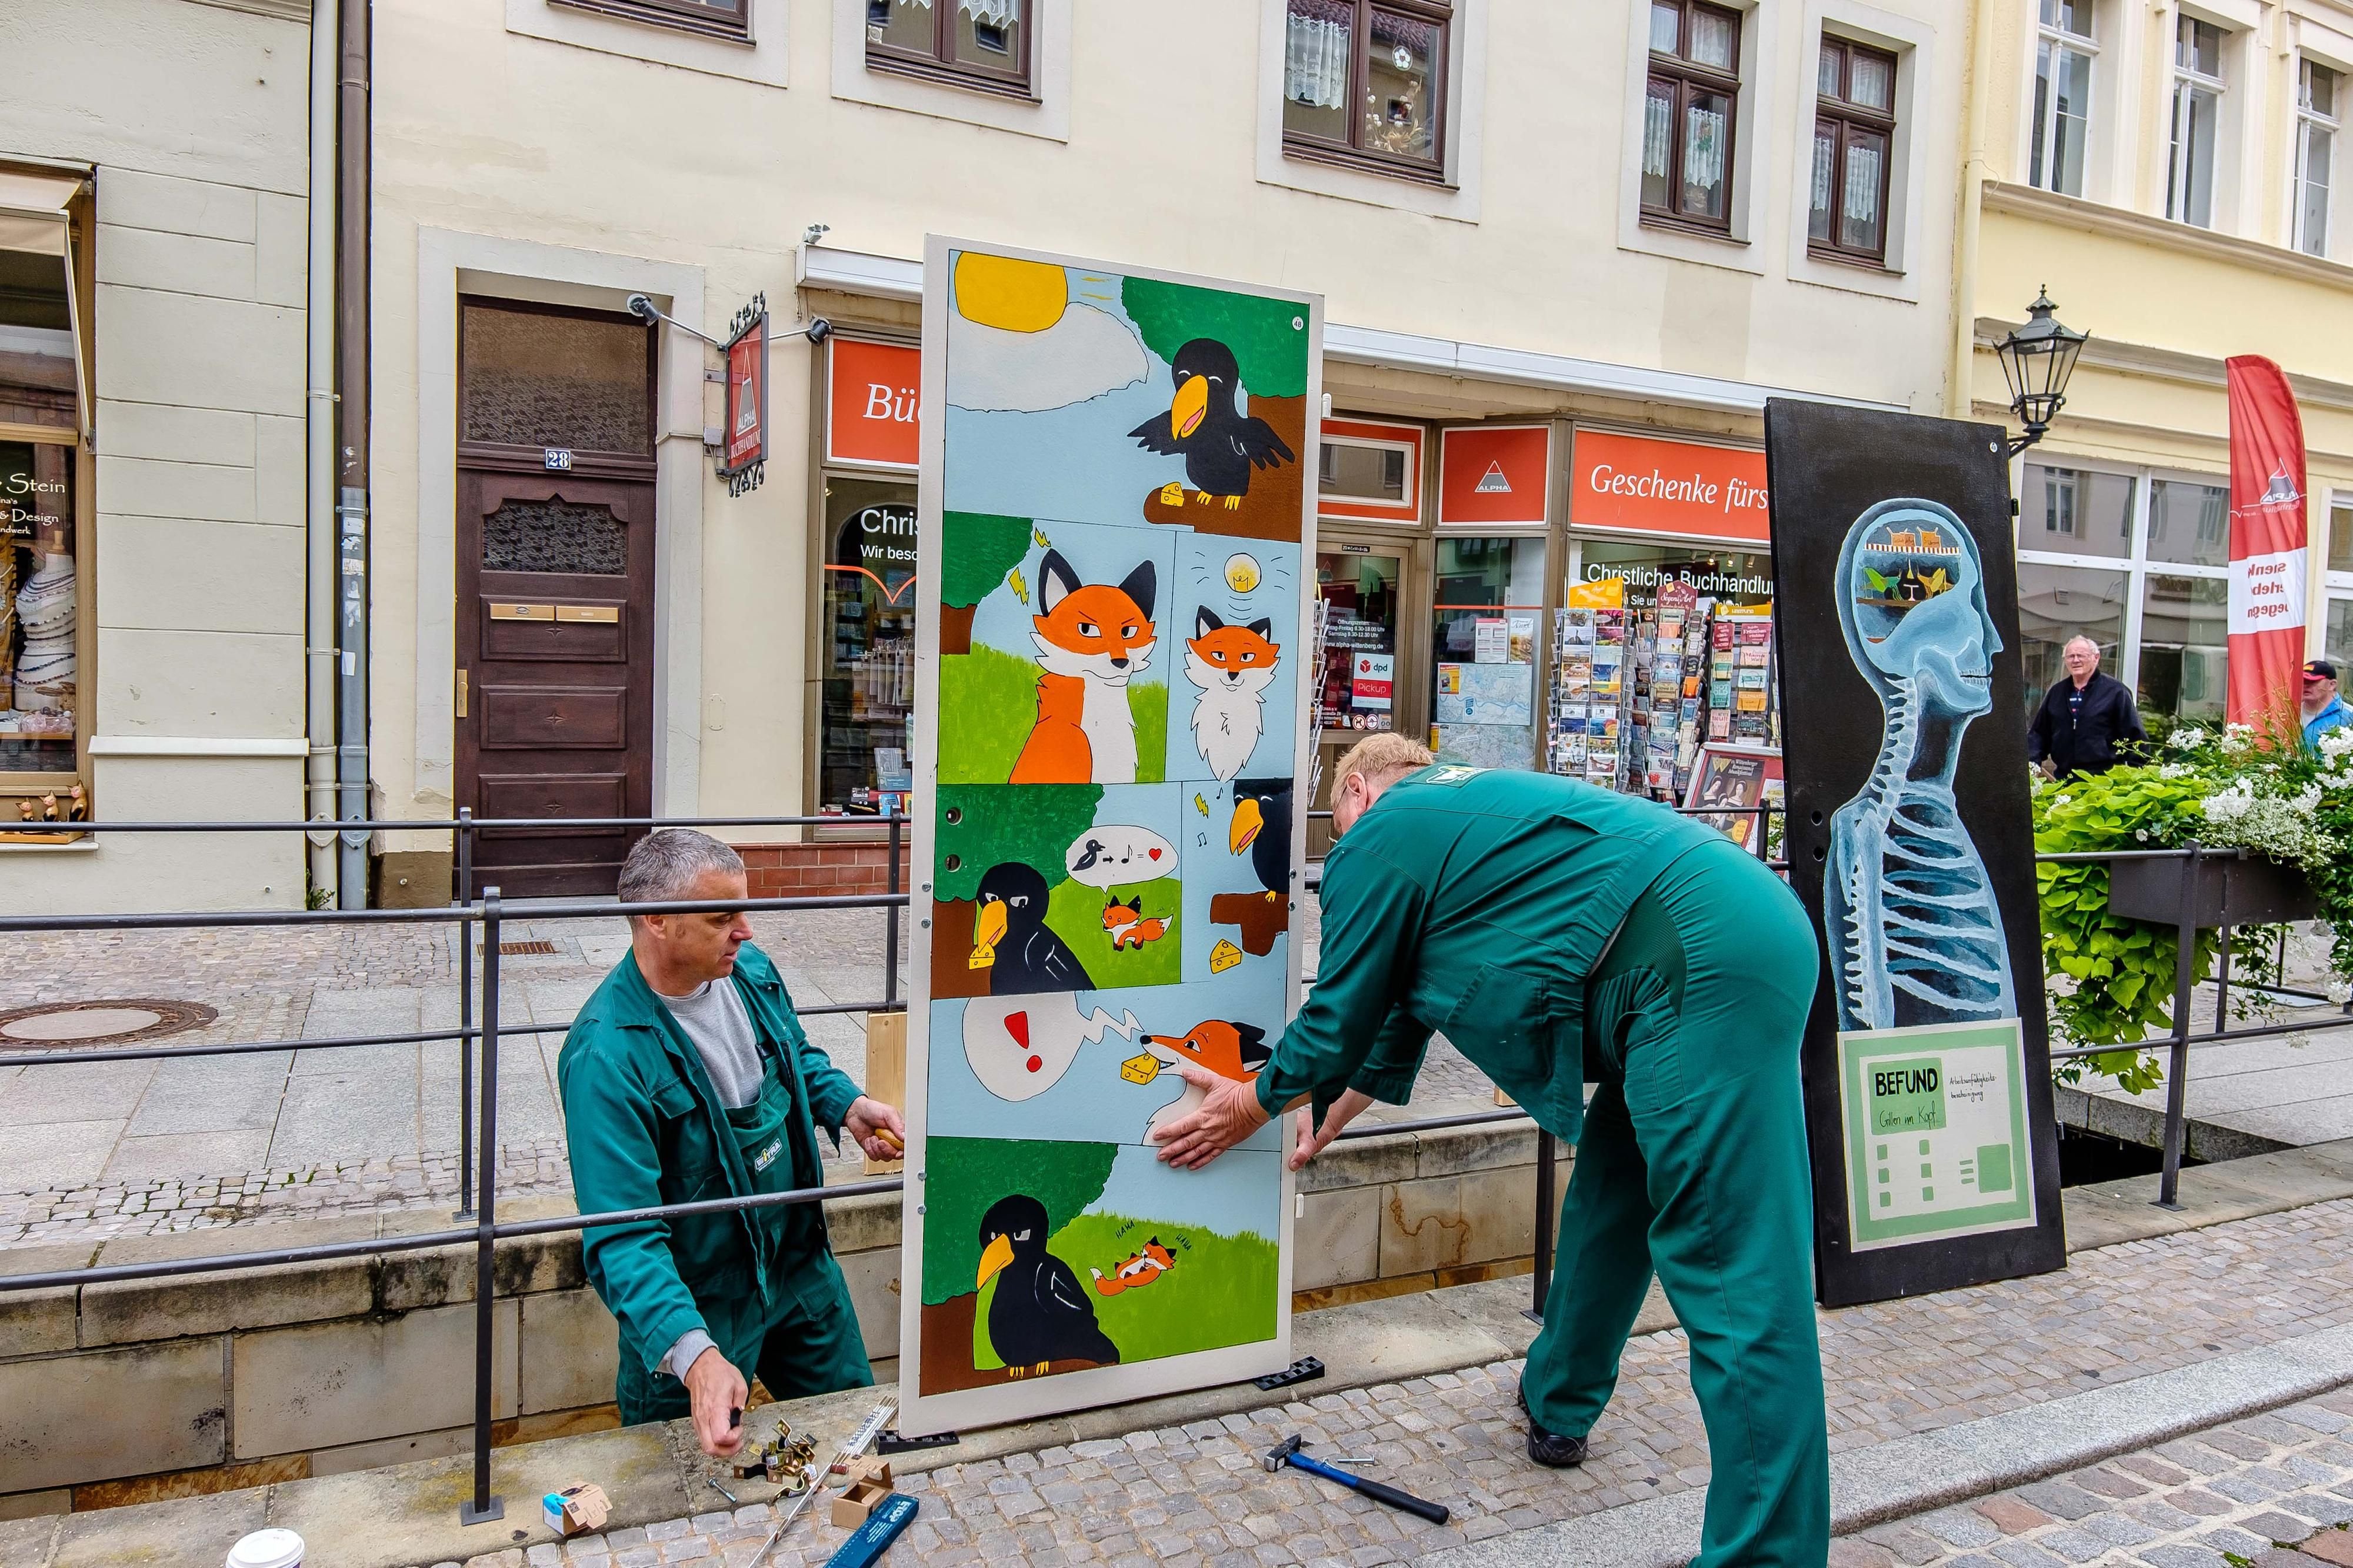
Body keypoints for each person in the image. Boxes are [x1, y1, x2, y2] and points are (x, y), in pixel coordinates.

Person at [1153, 733, 1828, 1568]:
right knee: (1614, 1201)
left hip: (1695, 963)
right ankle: (1559, 1398)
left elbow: (1334, 1017)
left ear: (1357, 791)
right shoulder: (1461, 825)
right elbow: (1389, 1018)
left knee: (1734, 1271)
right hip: (1706, 942)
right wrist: (1321, 1110)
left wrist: (1246, 1105)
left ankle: (1770, 1555)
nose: (1341, 842)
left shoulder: (1381, 834)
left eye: (1340, 821)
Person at [559, 829, 905, 1459]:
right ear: (654, 918)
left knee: (863, 1438)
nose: (744, 929)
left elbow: (796, 1057)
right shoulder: (606, 1054)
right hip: (698, 1302)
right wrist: (693, 1355)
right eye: (722, 916)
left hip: (799, 1266)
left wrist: (845, 1103)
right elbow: (622, 1235)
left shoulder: (752, 973)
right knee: (679, 1483)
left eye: (743, 910)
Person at [2027, 635, 2145, 779]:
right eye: (2070, 656)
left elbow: (2136, 738)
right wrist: (2031, 764)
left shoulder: (2116, 692)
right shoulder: (2056, 693)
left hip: (2104, 780)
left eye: (2081, 655)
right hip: (2065, 778)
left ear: (2096, 658)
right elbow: (2039, 734)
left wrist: (2134, 778)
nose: (2076, 660)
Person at [2303, 659, 2349, 753]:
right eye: (2304, 681)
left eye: (2313, 681)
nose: (2306, 686)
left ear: (2332, 685)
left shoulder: (2348, 716)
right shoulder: (2289, 711)